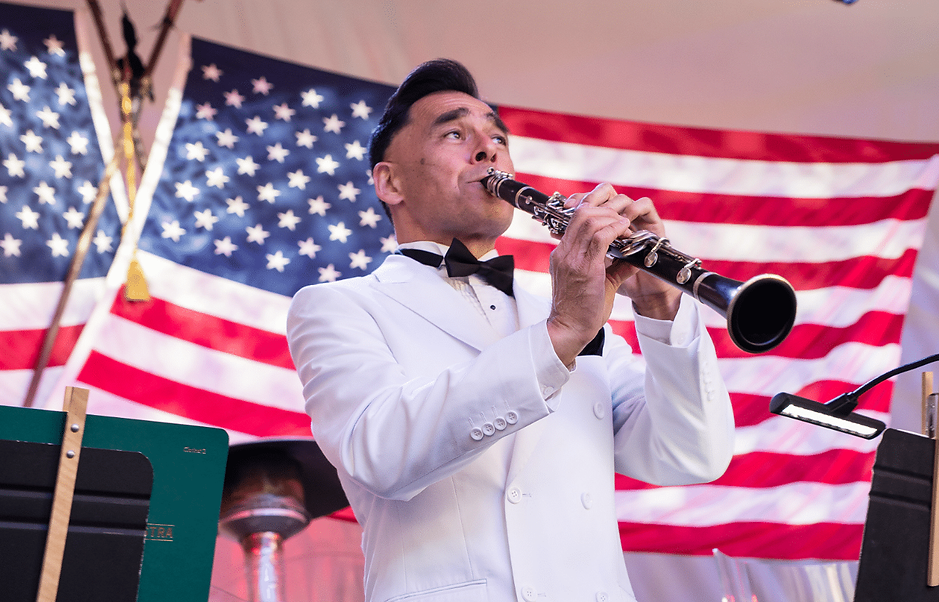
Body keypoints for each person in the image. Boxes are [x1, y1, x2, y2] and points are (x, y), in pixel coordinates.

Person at [286, 58, 735, 602]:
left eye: (497, 137)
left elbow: (689, 455)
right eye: (455, 133)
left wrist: (662, 307)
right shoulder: (338, 306)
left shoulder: (558, 300)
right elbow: (381, 454)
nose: (488, 148)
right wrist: (562, 332)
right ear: (390, 181)